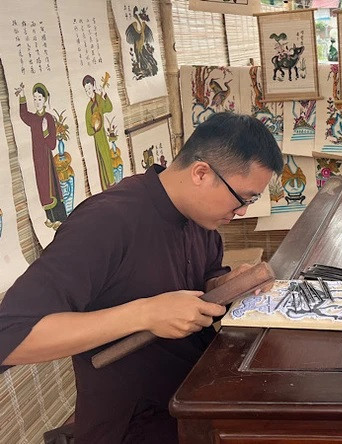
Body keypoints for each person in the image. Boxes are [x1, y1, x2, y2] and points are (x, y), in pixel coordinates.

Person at [0, 112, 283, 443]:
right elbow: (10, 337)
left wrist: (230, 286)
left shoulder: (200, 218)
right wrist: (143, 314)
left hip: (189, 402)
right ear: (202, 173)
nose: (243, 212)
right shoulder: (106, 223)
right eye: (242, 199)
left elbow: (204, 282)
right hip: (131, 427)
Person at [14, 82, 68, 227]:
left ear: (45, 100)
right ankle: (50, 218)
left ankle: (60, 218)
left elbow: (52, 144)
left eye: (40, 98)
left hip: (47, 160)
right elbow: (23, 115)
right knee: (42, 188)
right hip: (37, 159)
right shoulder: (33, 119)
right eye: (35, 98)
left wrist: (45, 131)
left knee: (51, 187)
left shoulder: (48, 119)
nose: (37, 102)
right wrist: (22, 96)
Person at [83, 74, 119, 191]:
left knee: (107, 157)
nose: (88, 91)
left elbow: (109, 108)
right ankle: (105, 186)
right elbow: (89, 130)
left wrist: (104, 95)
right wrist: (94, 126)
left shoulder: (99, 99)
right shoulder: (88, 108)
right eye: (86, 90)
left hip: (103, 134)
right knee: (101, 160)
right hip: (97, 137)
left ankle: (112, 182)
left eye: (89, 88)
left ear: (93, 86)